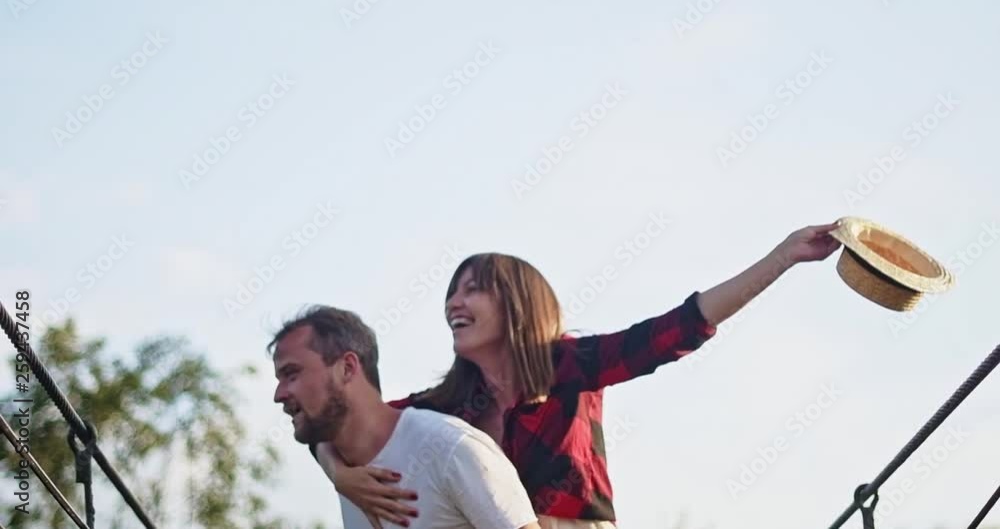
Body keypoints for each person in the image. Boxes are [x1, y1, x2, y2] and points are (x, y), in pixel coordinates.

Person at [312, 223, 842, 528]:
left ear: (515, 303)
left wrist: (784, 256)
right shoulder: (449, 406)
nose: (454, 301)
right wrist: (337, 470)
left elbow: (681, 326)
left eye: (472, 289)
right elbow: (348, 418)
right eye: (452, 291)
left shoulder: (570, 366)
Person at [269, 305, 542, 529]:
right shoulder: (350, 475)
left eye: (292, 374)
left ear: (347, 368)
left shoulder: (452, 447)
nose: (278, 394)